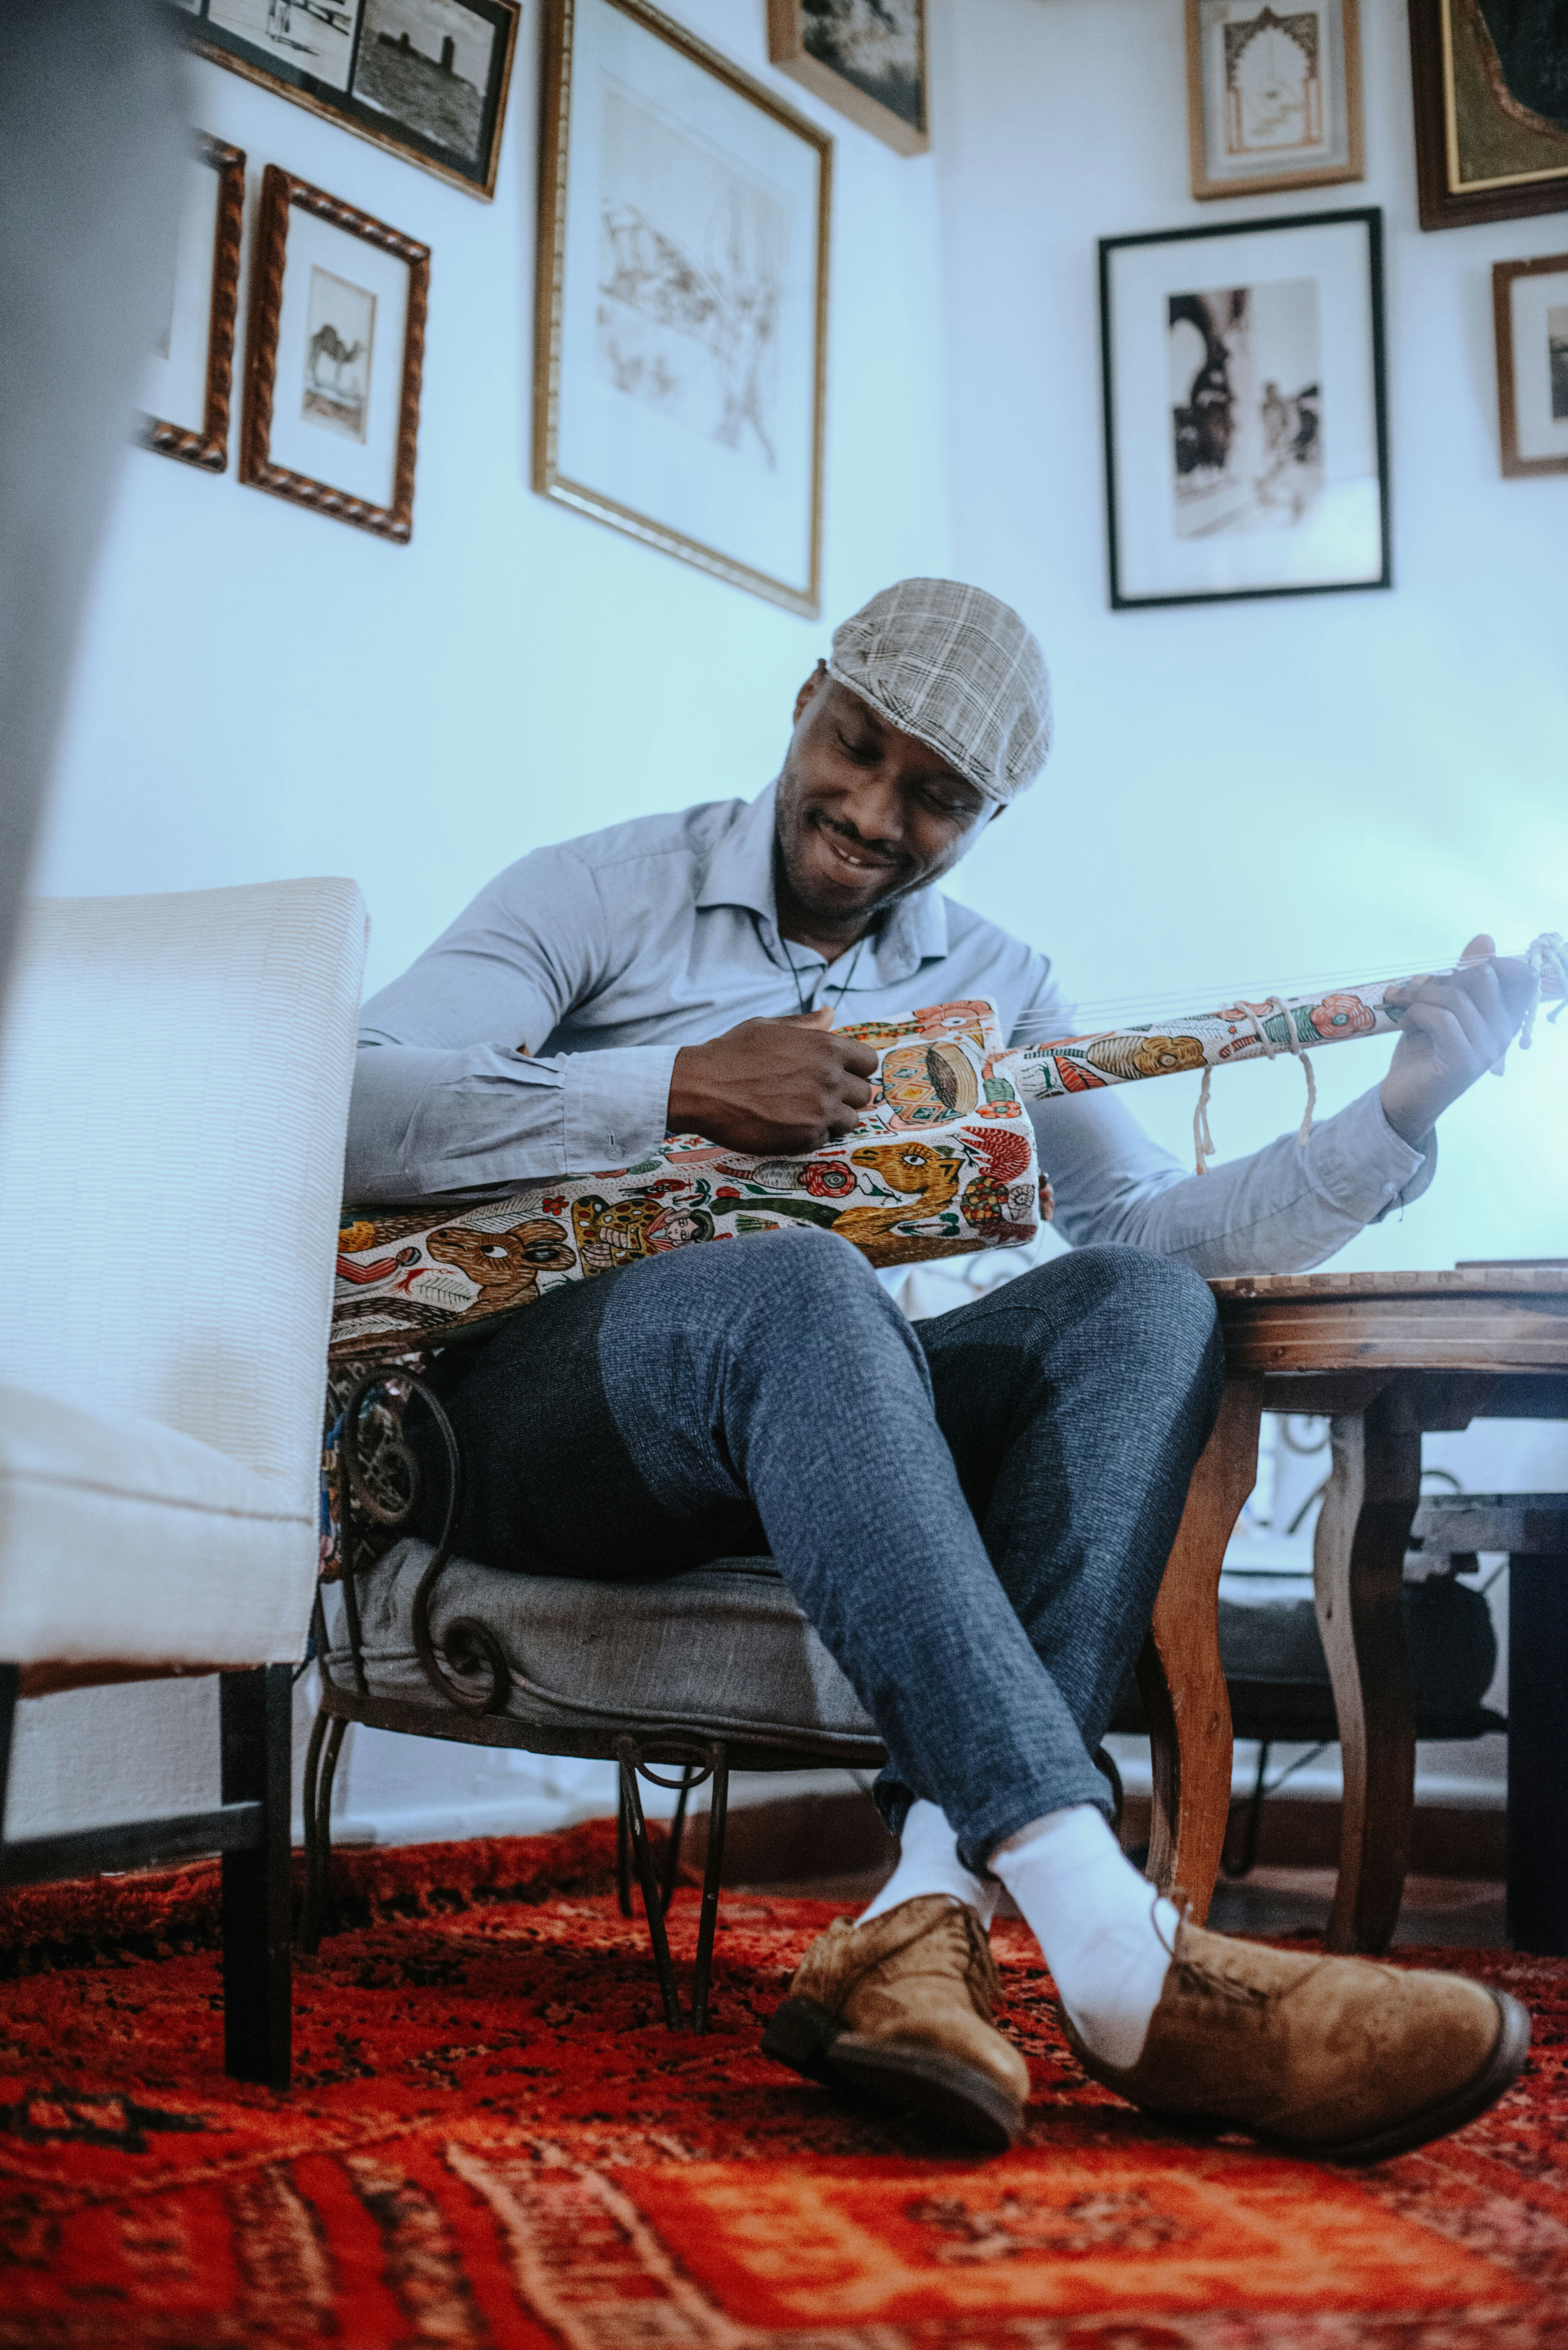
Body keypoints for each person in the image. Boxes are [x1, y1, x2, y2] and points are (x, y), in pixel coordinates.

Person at [348, 578, 1535, 2158]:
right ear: (805, 702)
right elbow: (352, 1099)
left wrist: (1397, 1116)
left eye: (936, 797)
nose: (870, 811)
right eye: (854, 748)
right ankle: (1119, 1958)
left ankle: (921, 1915)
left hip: (801, 1420)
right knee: (804, 1282)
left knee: (1133, 1305)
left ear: (987, 816)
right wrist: (677, 1087)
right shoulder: (597, 890)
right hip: (525, 1426)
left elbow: (1147, 1235)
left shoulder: (995, 978)